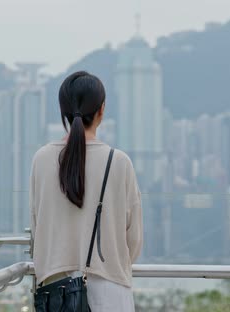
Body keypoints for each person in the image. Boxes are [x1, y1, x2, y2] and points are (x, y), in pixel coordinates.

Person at [30, 71, 143, 311]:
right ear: (102, 110)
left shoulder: (41, 159)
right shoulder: (119, 161)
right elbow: (133, 240)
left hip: (56, 293)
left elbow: (37, 227)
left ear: (63, 111)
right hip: (109, 291)